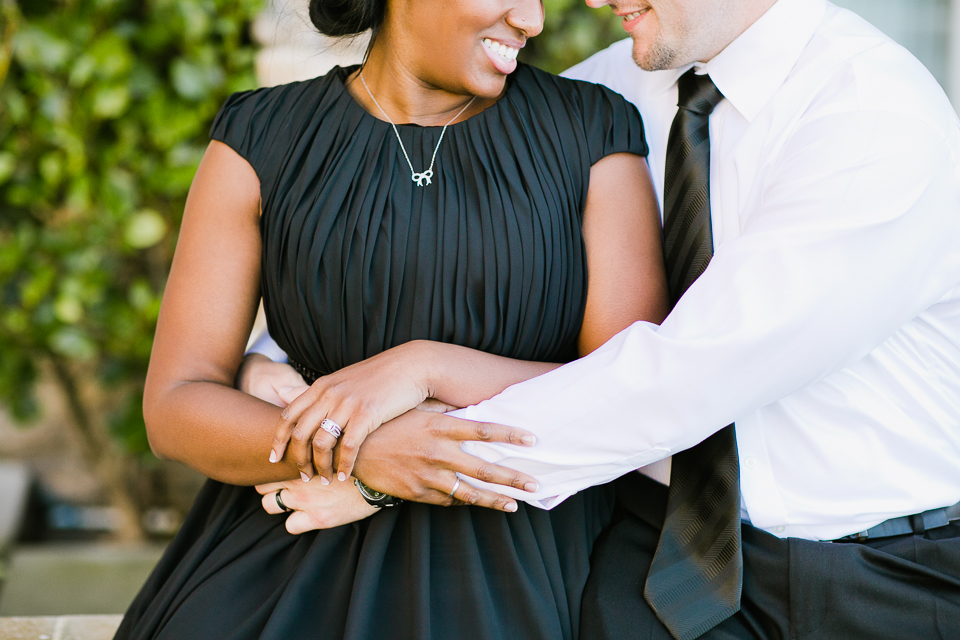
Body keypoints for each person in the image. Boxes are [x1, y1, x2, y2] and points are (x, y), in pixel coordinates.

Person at [245, 0, 960, 638]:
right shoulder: (609, 91)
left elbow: (691, 375)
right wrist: (290, 368)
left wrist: (398, 465)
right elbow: (447, 243)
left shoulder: (872, 114)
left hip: (882, 574)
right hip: (648, 553)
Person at [115, 0, 673, 637]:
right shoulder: (259, 139)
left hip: (518, 554)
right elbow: (176, 406)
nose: (532, 19)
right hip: (293, 539)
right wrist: (365, 453)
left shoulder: (591, 132)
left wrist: (430, 370)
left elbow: (625, 390)